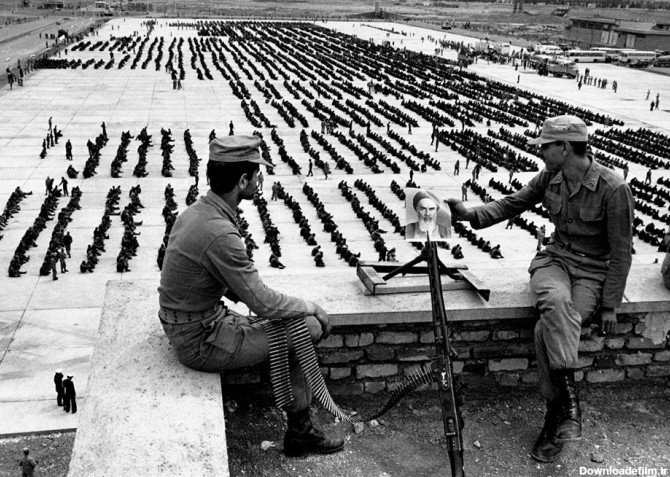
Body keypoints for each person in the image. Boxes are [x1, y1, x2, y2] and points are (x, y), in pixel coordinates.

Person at [445, 115, 633, 464]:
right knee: (556, 302)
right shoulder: (550, 177)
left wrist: (609, 305)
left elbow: (621, 251)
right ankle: (570, 406)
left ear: (565, 147)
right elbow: (512, 203)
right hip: (555, 262)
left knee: (548, 326)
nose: (540, 152)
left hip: (593, 271)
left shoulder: (613, 188)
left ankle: (553, 416)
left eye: (545, 146)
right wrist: (469, 214)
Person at [157, 135, 344, 458]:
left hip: (194, 323)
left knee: (292, 323)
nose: (260, 180)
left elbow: (233, 286)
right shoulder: (219, 231)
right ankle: (300, 432)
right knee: (308, 326)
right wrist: (310, 306)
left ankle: (299, 425)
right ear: (243, 180)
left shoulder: (199, 212)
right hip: (200, 339)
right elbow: (263, 302)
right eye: (257, 174)